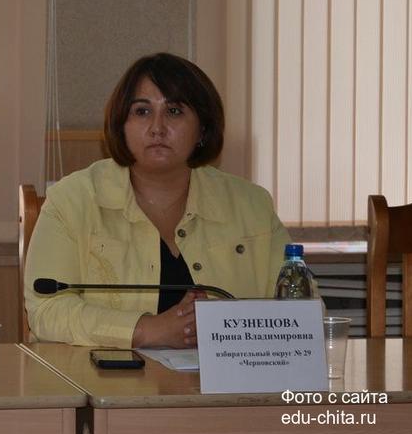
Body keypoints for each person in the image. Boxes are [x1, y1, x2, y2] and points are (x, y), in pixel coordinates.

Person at [24, 53, 290, 348]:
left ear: (202, 129)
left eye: (174, 111)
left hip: (229, 376)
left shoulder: (252, 206)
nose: (157, 128)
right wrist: (149, 330)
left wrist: (228, 327)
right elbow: (46, 309)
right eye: (142, 111)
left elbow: (301, 308)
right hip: (103, 376)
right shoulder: (72, 200)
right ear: (121, 126)